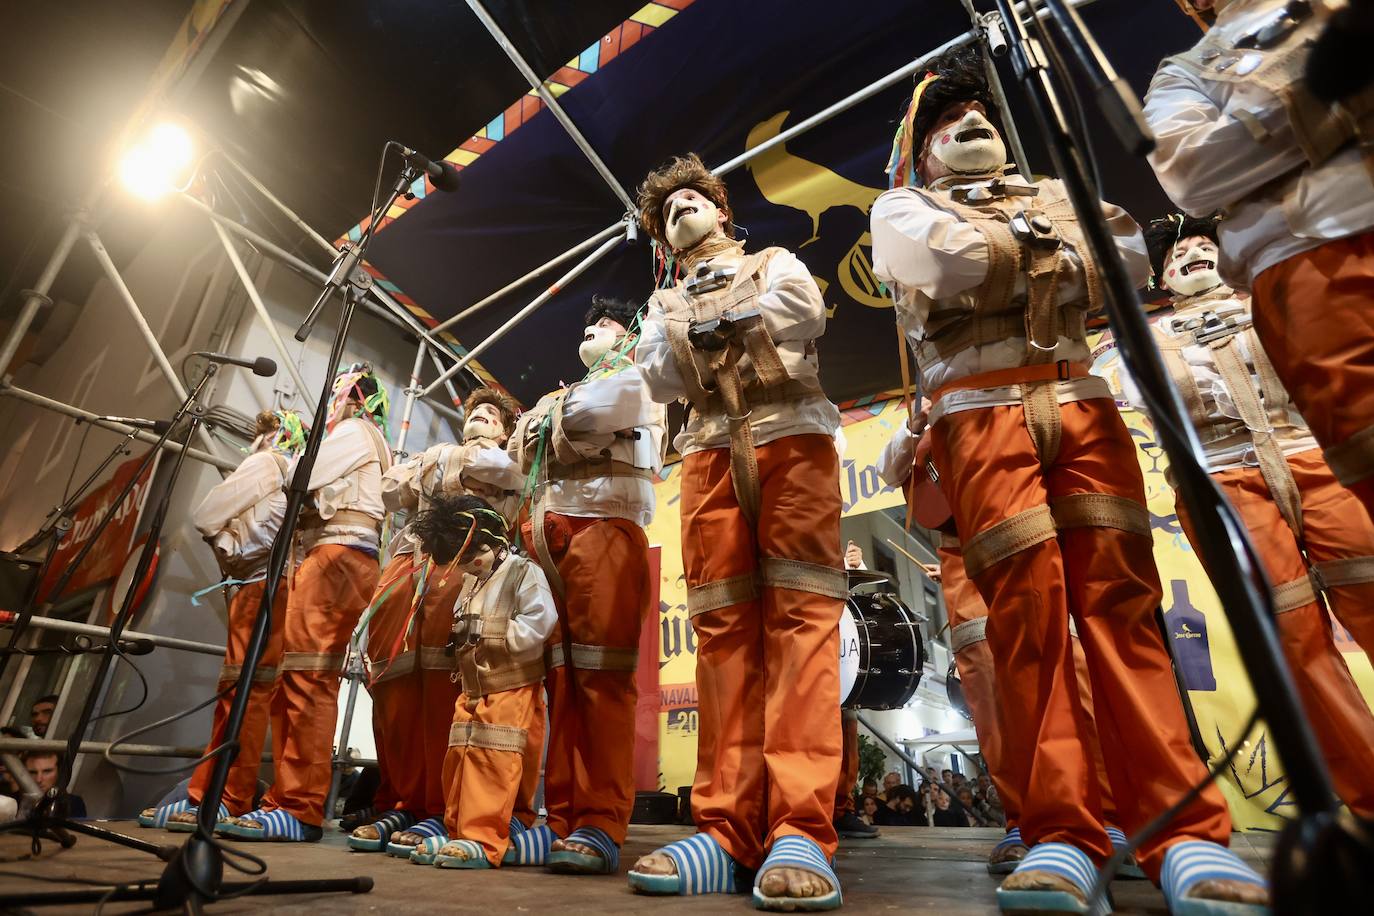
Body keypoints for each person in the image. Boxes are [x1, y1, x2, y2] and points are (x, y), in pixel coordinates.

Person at [871, 47, 1265, 914]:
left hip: (1082, 407)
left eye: (974, 118)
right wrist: (1051, 256)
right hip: (978, 424)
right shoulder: (901, 207)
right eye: (941, 126)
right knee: (1029, 617)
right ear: (922, 154)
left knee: (1123, 608)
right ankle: (1064, 831)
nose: (966, 127)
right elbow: (936, 260)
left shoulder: (1060, 189)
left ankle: (1184, 836)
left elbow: (1123, 260)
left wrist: (1001, 254)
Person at [630, 153, 847, 910]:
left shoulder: (771, 259)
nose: (682, 210)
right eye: (668, 210)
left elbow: (803, 309)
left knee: (802, 624)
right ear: (662, 238)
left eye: (694, 199)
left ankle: (799, 826)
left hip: (793, 436)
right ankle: (725, 830)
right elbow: (656, 377)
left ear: (722, 210)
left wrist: (708, 320)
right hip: (710, 450)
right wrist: (706, 322)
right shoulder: (661, 302)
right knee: (723, 636)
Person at [1129, 212, 1374, 818]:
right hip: (1223, 480)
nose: (1191, 253)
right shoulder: (1145, 340)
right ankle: (1368, 795)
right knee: (1292, 636)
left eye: (1202, 243)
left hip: (1311, 455)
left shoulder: (1270, 298)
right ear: (1161, 274)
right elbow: (1146, 399)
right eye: (1177, 250)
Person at [1144, 0, 1374, 517]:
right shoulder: (1183, 75)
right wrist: (1329, 92)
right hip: (1312, 270)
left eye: (1204, 245)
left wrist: (1273, 124)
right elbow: (1193, 173)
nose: (1195, 256)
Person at [510, 295, 666, 873]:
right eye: (587, 323)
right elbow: (519, 450)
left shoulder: (640, 375)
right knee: (560, 682)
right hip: (547, 534)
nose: (590, 330)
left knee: (601, 679)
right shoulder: (569, 393)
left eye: (603, 323)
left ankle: (600, 819)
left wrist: (548, 418)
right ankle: (563, 817)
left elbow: (581, 419)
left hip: (605, 527)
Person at [350, 388, 526, 857]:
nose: (481, 418)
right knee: (394, 685)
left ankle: (439, 805)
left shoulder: (507, 458)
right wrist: (449, 464)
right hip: (409, 565)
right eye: (475, 412)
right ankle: (401, 799)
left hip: (463, 564)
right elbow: (390, 489)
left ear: (507, 430)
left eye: (492, 415)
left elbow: (501, 472)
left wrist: (436, 467)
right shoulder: (442, 454)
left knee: (446, 684)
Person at [220, 364, 391, 842]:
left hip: (338, 552)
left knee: (308, 677)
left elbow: (302, 473)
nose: (330, 403)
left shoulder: (356, 431)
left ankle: (298, 806)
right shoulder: (364, 437)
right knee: (300, 676)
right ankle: (289, 800)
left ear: (354, 397)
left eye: (337, 393)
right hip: (335, 554)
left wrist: (277, 465)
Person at [139, 410, 306, 832]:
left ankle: (220, 796)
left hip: (257, 585)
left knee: (240, 692)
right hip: (287, 585)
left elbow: (205, 515)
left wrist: (228, 546)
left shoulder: (265, 463)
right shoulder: (298, 477)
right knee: (268, 693)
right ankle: (243, 795)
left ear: (269, 436)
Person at [413, 494, 556, 869]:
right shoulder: (473, 582)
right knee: (460, 755)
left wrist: (495, 636)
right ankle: (459, 828)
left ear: (494, 542)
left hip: (512, 686)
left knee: (495, 758)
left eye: (470, 558)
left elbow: (540, 620)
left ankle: (484, 837)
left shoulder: (524, 573)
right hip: (473, 688)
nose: (467, 568)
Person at [834, 541, 879, 841]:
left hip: (839, 649)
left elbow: (855, 587)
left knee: (846, 730)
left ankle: (840, 809)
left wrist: (855, 565)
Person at [23, 751, 85, 818]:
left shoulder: (73, 803)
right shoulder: (13, 800)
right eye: (33, 772)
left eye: (47, 771)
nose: (39, 779)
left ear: (59, 772)